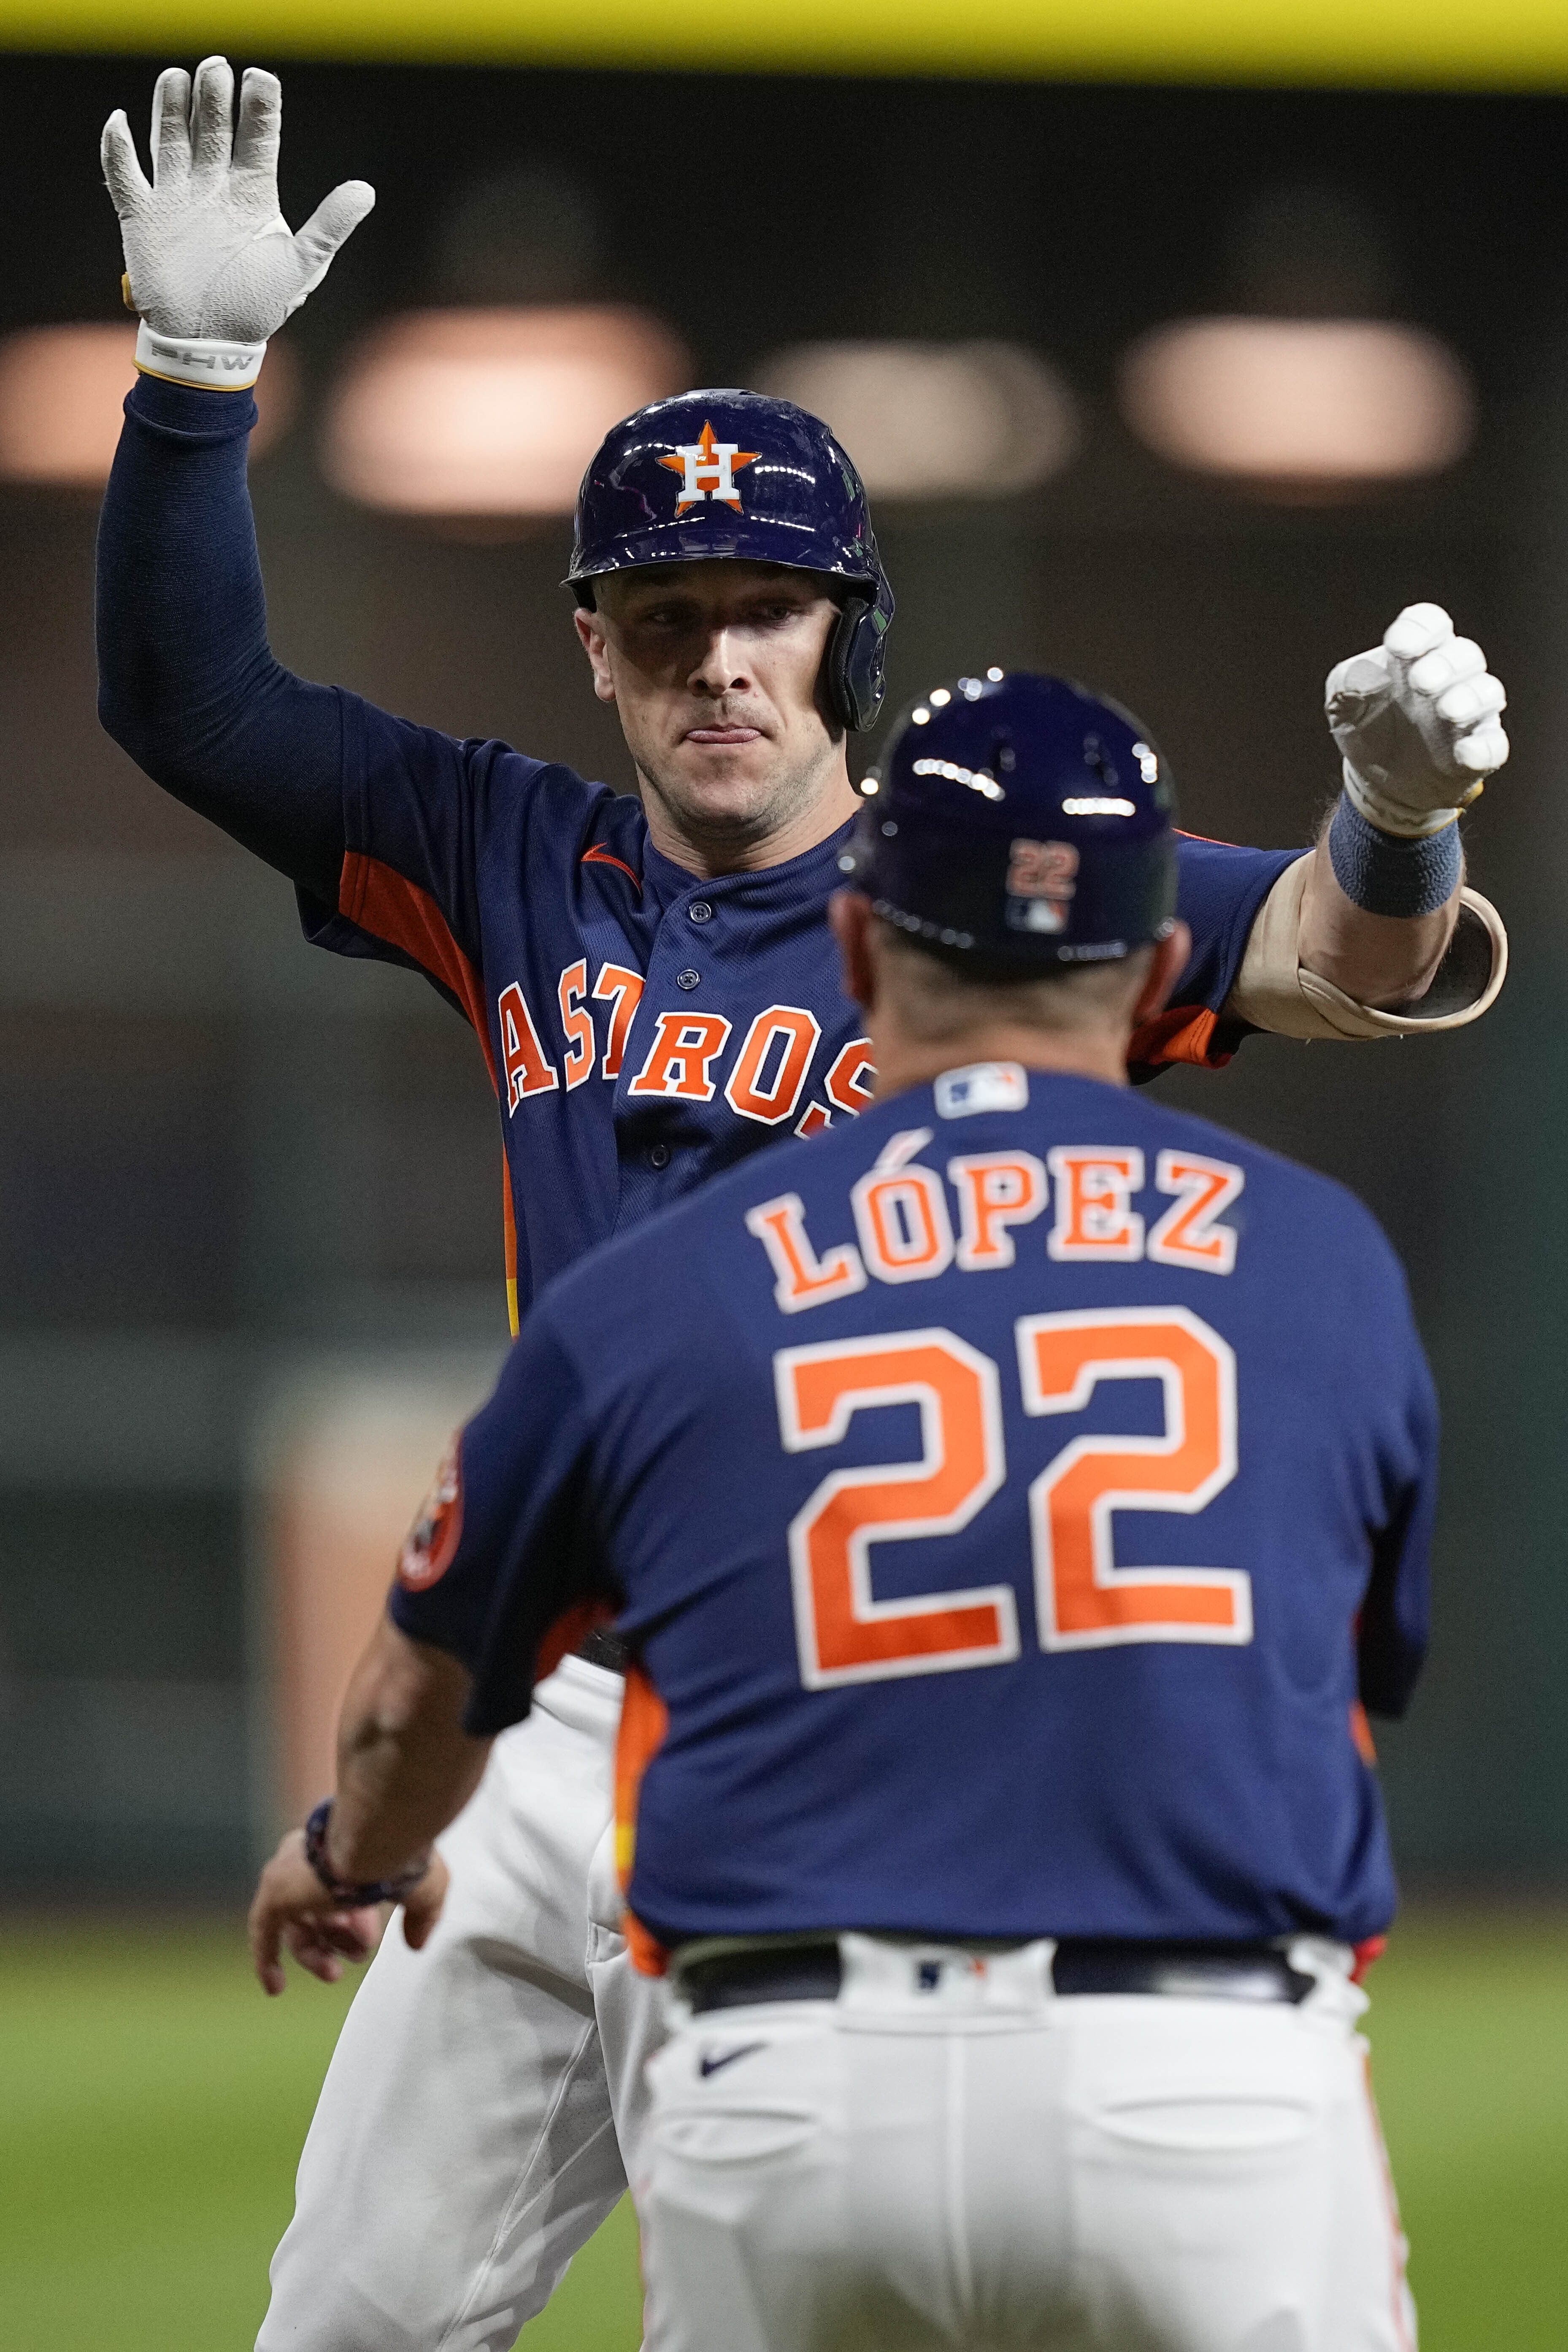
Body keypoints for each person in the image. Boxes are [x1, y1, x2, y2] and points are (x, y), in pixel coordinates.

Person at [98, 58, 1495, 2352]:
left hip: (874, 1708)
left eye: (767, 610)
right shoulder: (508, 852)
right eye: (663, 617)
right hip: (571, 1715)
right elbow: (195, 700)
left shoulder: (971, 882)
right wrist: (189, 386)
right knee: (344, 2318)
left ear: (843, 627)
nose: (720, 660)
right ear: (589, 639)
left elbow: (1344, 956)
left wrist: (1403, 829)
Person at [251, 668, 1435, 2352]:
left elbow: (411, 1684)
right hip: (1207, 2070)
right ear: (1164, 970)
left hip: (789, 2077)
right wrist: (1394, 829)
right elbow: (1362, 1662)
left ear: (860, 951)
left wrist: (344, 1851)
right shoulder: (1314, 1260)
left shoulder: (662, 1288)